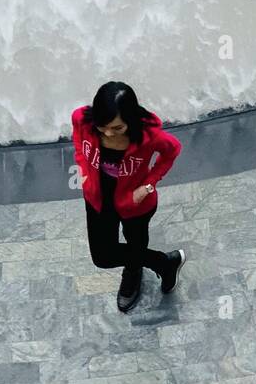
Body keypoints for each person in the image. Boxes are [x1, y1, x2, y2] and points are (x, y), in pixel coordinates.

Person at [71, 82, 185, 313]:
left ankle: (133, 272)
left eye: (117, 128)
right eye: (102, 127)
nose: (108, 133)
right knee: (103, 256)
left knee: (136, 244)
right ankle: (165, 263)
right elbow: (78, 141)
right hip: (97, 197)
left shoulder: (149, 136)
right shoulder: (82, 120)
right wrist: (82, 168)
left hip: (136, 203)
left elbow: (172, 150)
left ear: (130, 119)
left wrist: (148, 185)